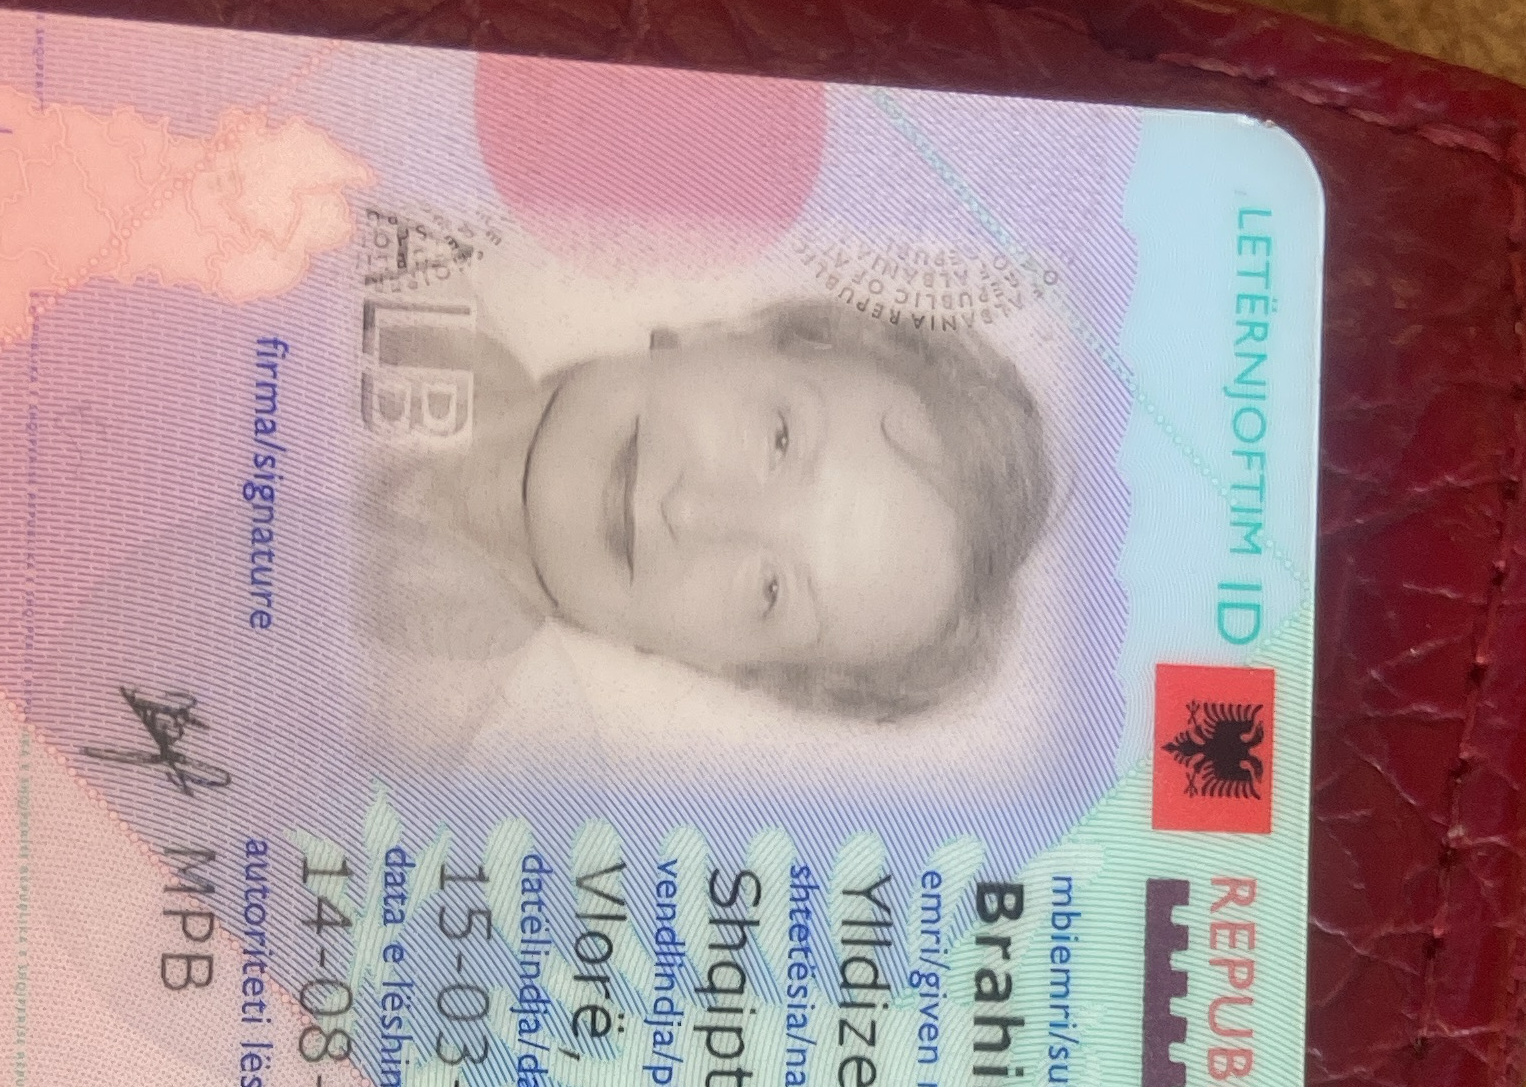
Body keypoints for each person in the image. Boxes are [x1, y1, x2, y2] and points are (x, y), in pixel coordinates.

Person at [358, 295, 1052, 755]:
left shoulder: (390, 759)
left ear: (720, 666)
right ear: (730, 336)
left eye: (772, 590)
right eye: (780, 440)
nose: (691, 511)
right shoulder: (338, 215)